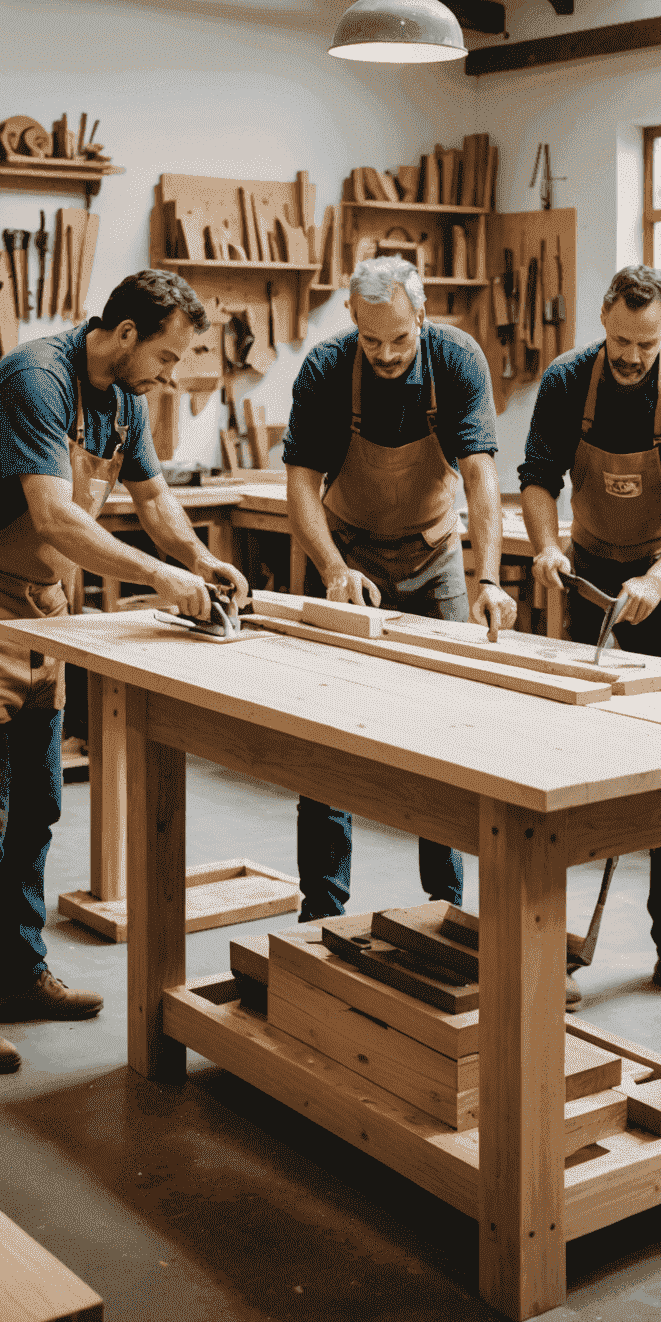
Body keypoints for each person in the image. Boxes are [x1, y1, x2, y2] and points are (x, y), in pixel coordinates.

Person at [0, 270, 249, 1074]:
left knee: (37, 807)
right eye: (165, 357)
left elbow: (156, 500)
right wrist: (163, 581)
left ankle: (23, 977)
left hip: (46, 603)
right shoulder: (40, 379)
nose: (170, 378)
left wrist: (200, 558)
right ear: (125, 333)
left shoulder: (127, 401)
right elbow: (54, 513)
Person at [520, 264, 661, 1008]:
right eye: (618, 339)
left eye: (644, 344)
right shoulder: (566, 382)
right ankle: (566, 948)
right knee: (580, 767)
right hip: (588, 582)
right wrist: (547, 544)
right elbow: (539, 474)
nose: (630, 356)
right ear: (603, 320)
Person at [282, 255, 516, 921]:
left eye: (399, 340)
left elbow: (480, 476)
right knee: (325, 738)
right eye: (371, 339)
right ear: (353, 319)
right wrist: (330, 568)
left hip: (434, 553)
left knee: (444, 736)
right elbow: (300, 483)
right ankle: (321, 912)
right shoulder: (327, 369)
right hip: (345, 555)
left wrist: (489, 577)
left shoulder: (458, 360)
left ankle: (445, 907)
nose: (384, 355)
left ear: (423, 313)